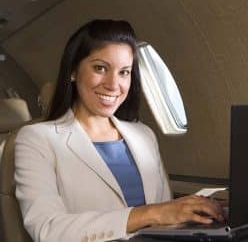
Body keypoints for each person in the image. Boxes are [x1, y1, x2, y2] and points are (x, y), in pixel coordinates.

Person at [14, 19, 224, 242]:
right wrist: (150, 213)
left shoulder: (144, 135)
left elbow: (167, 220)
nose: (113, 85)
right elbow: (48, 230)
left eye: (124, 72)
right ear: (73, 71)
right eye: (100, 68)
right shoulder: (36, 139)